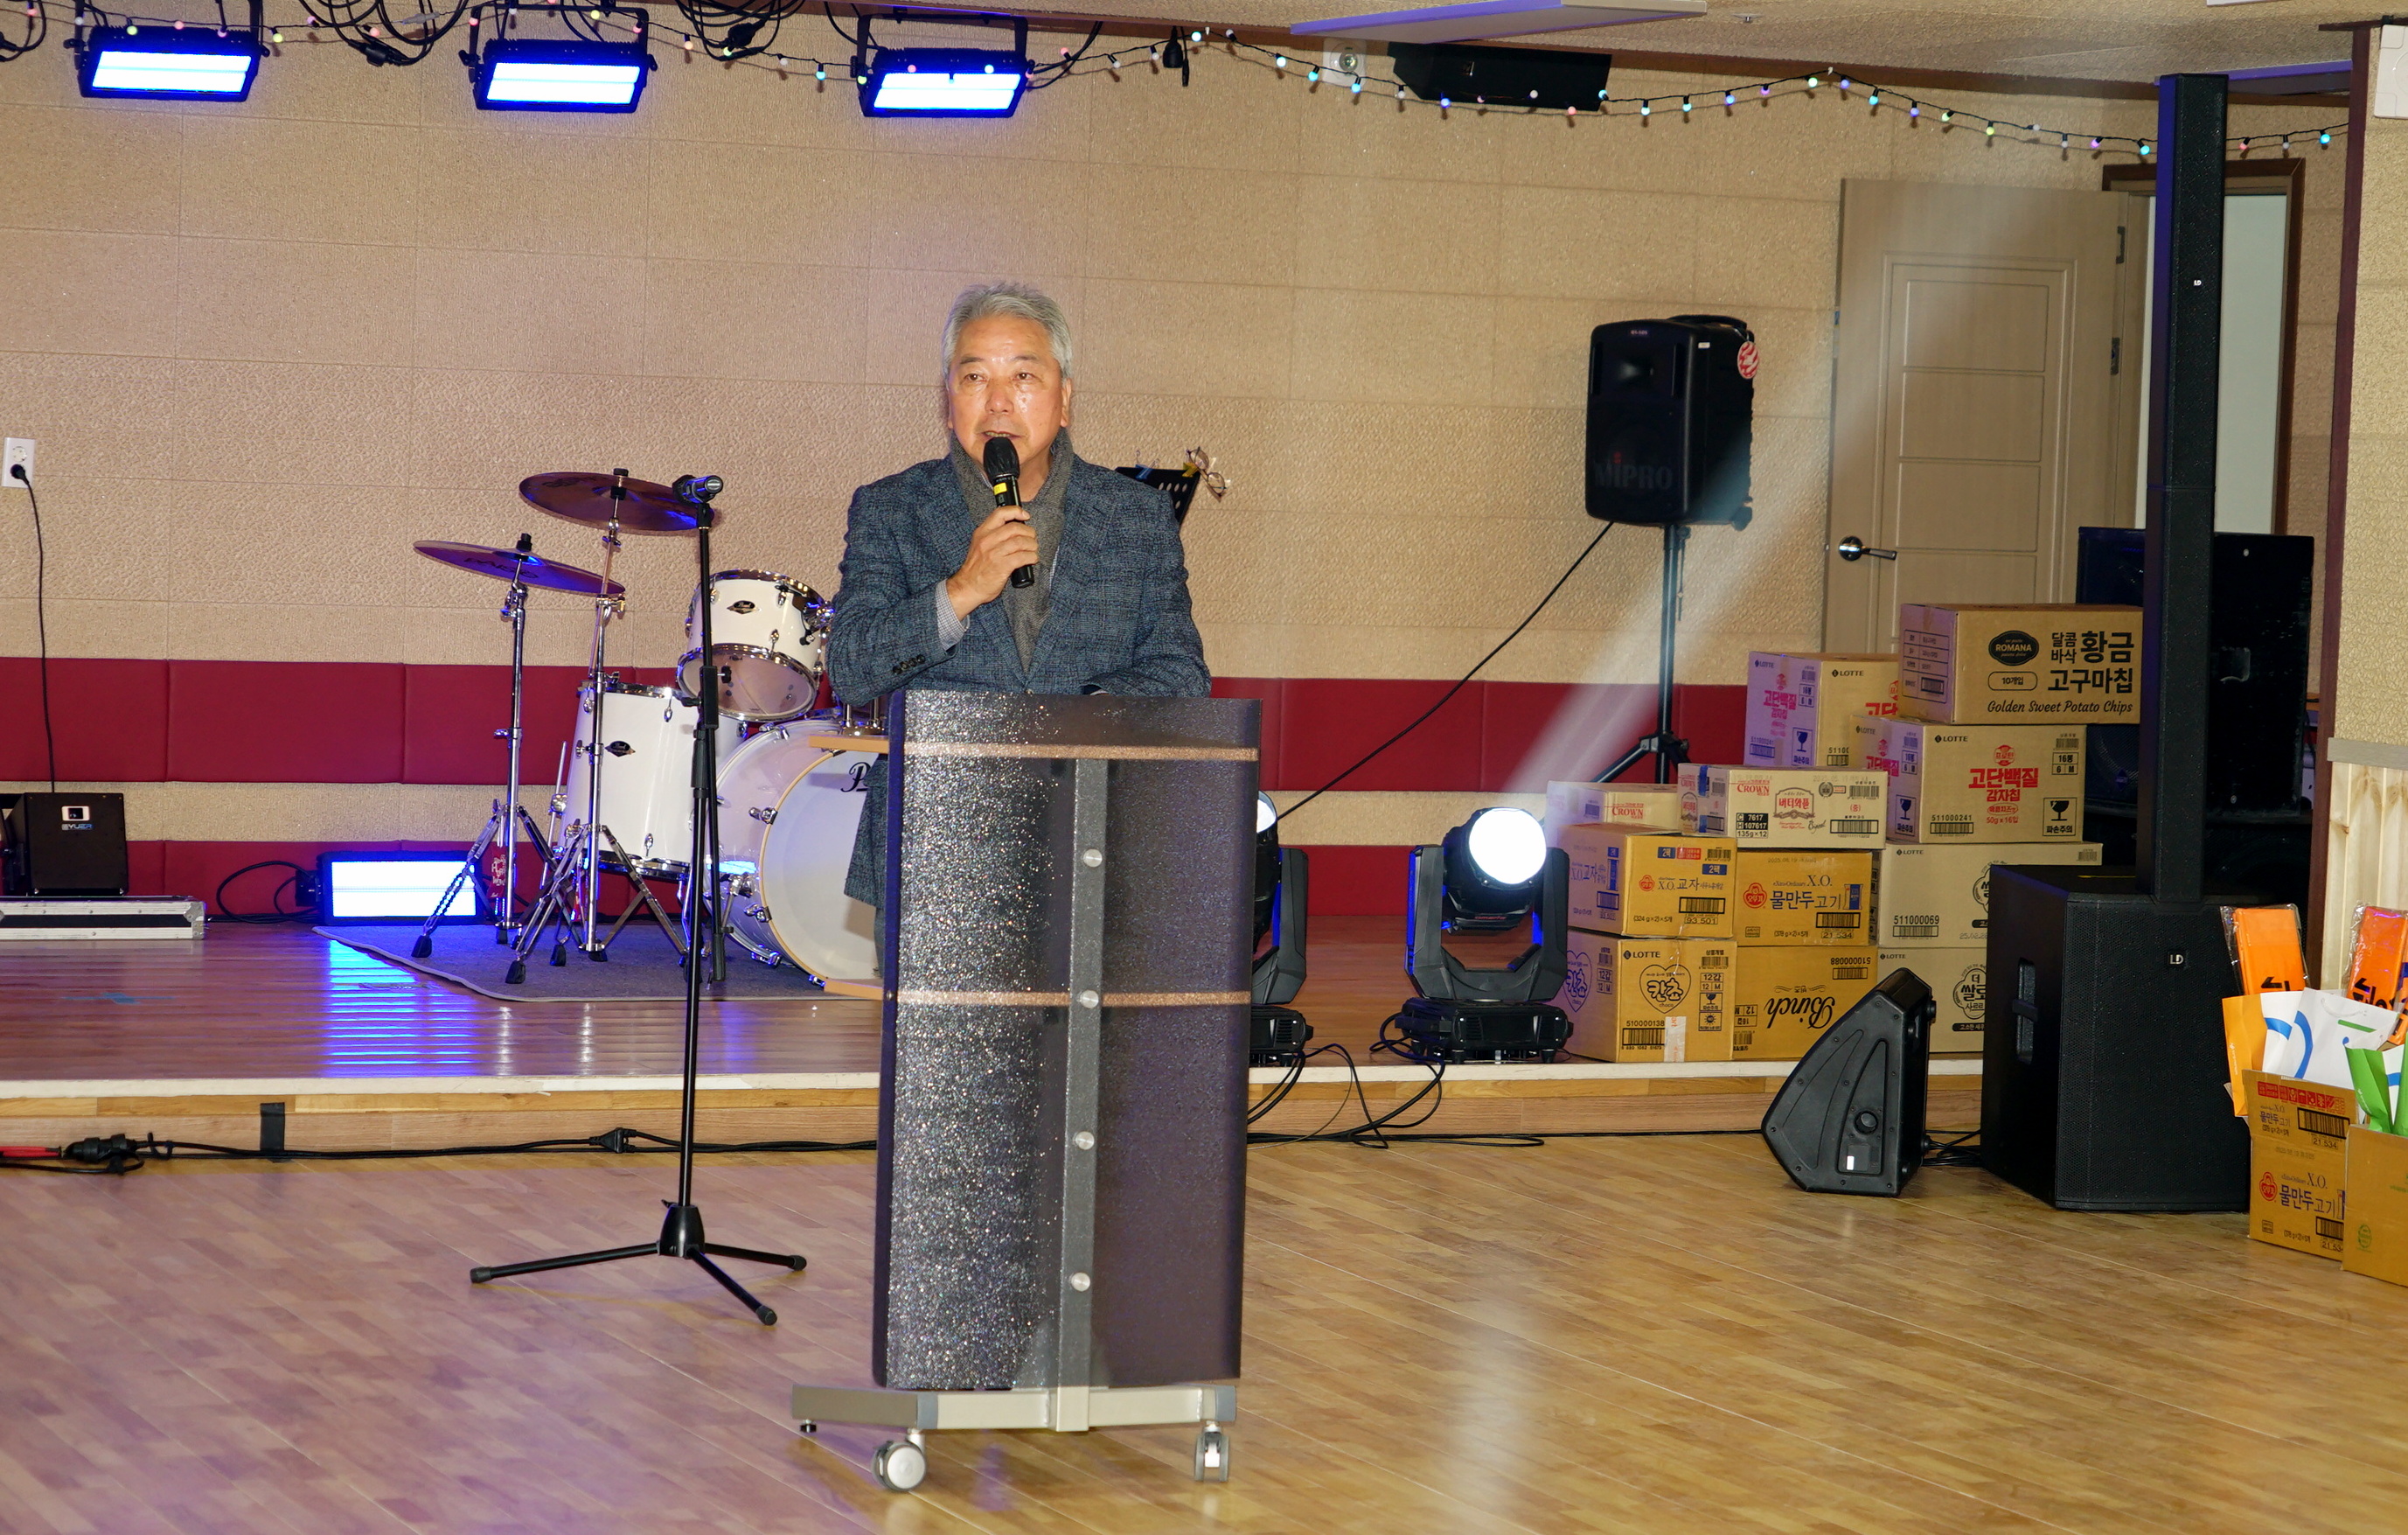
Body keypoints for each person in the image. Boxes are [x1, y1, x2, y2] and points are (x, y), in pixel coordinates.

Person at [826, 282, 1210, 909]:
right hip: (934, 845)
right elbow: (850, 669)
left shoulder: (1135, 515)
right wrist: (958, 592)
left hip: (1096, 834)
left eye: (1024, 376)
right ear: (948, 401)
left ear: (1065, 399)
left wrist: (1075, 719)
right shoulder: (893, 508)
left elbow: (1182, 674)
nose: (999, 401)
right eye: (975, 377)